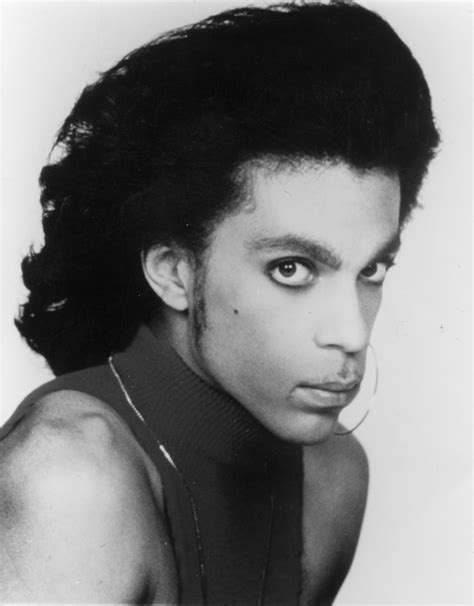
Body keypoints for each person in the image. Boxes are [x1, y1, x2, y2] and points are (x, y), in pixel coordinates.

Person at [0, 2, 439, 604]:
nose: (352, 333)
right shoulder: (68, 476)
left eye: (371, 270)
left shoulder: (331, 477)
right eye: (292, 269)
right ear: (174, 273)